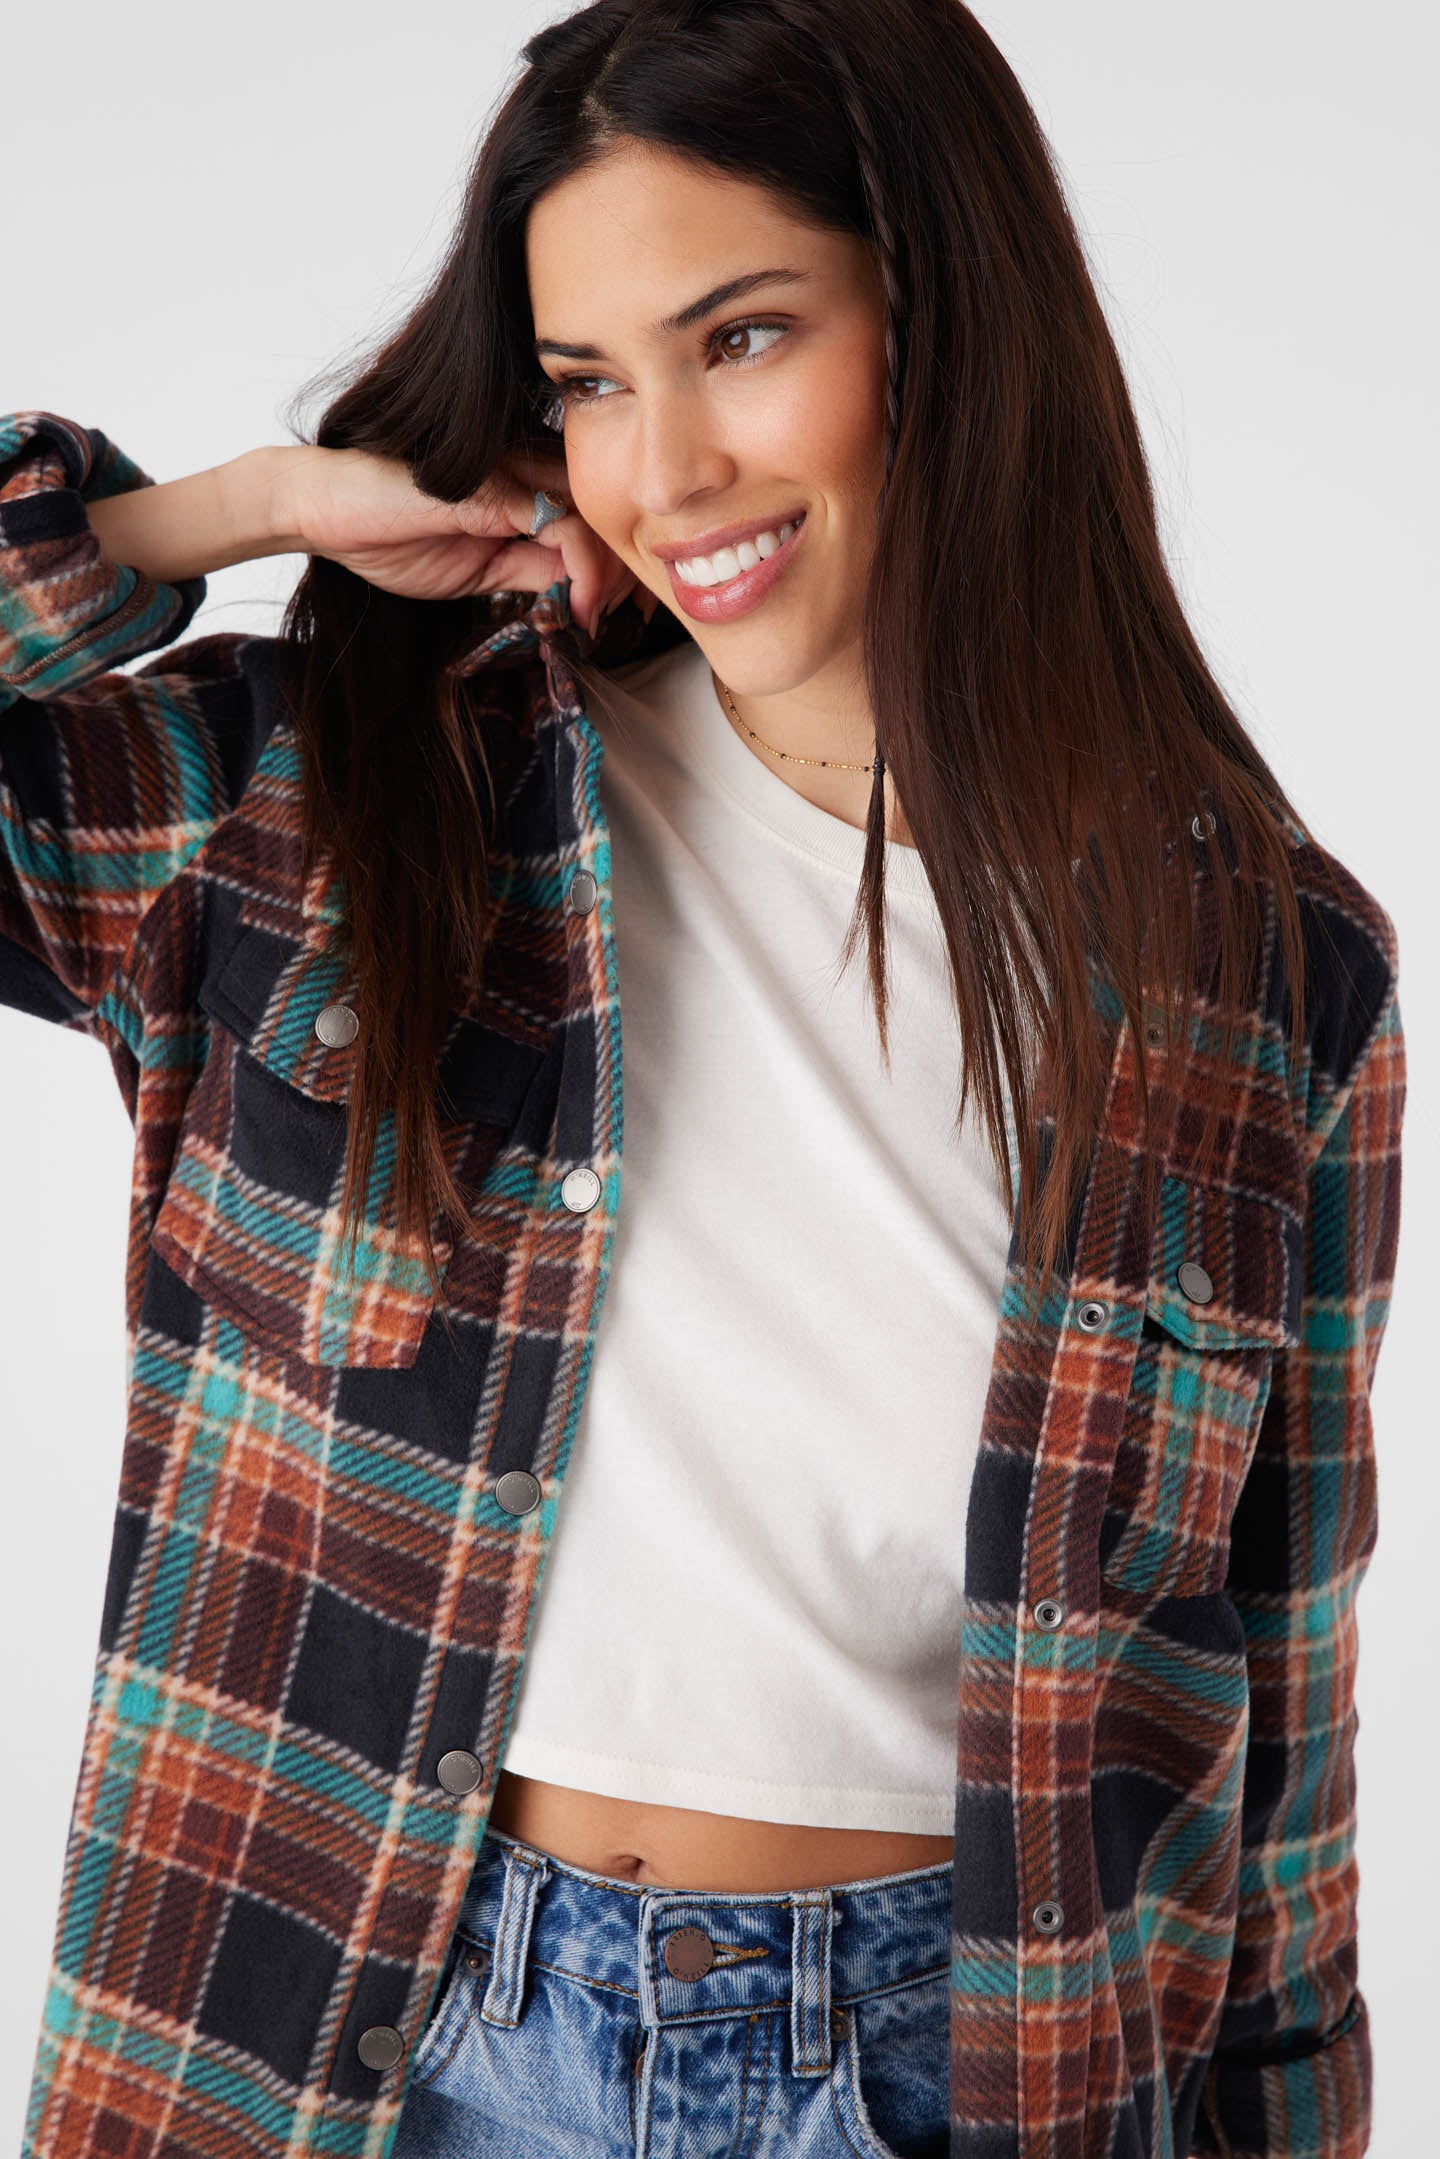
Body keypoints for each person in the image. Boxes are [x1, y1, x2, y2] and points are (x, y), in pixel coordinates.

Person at [1, 1, 1406, 2155]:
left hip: (954, 2073)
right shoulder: (325, 807)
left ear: (940, 316)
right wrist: (217, 512)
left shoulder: (1266, 978)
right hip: (366, 2041)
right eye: (586, 383)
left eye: (740, 338)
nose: (659, 475)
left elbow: (1281, 1728)